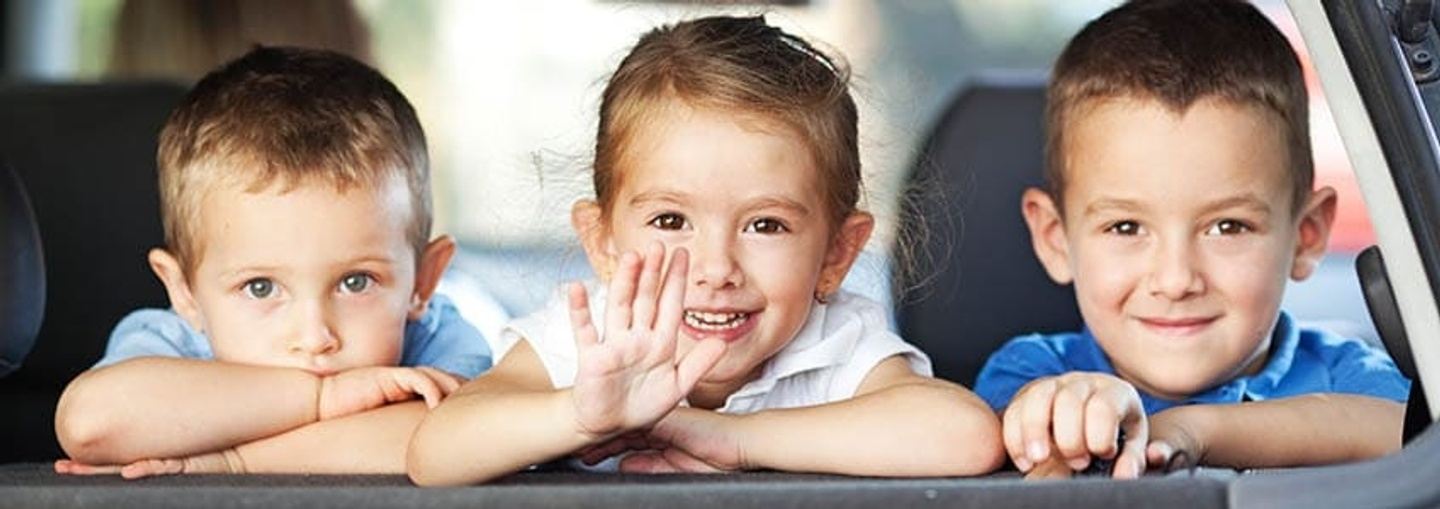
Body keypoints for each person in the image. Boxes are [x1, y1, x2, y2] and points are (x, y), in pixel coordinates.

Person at [406, 15, 1004, 486]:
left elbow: (964, 436)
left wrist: (735, 439)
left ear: (836, 256)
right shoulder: (588, 338)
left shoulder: (836, 343)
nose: (717, 269)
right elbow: (436, 452)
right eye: (671, 221)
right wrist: (581, 416)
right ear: (603, 243)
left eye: (766, 225)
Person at [975, 0, 1411, 479]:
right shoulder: (1035, 373)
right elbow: (1029, 460)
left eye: (1228, 227)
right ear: (1056, 239)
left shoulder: (1345, 376)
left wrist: (1194, 429)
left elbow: (1411, 437)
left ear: (1306, 235)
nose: (1176, 280)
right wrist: (1073, 430)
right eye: (1126, 227)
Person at [53, 46, 491, 478]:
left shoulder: (437, 338)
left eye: (356, 282)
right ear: (185, 292)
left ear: (424, 281)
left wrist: (233, 461)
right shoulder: (174, 342)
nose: (314, 338)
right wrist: (322, 398)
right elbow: (89, 424)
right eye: (260, 287)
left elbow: (461, 439)